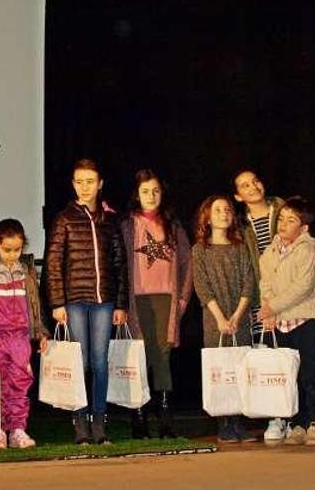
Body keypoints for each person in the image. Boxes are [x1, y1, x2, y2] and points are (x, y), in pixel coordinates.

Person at [46, 158, 128, 445]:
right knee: (79, 362)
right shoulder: (64, 218)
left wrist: (120, 304)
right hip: (74, 301)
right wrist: (57, 303)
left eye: (90, 181)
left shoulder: (110, 220)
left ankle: (99, 420)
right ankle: (79, 421)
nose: (85, 187)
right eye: (79, 181)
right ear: (72, 184)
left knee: (100, 362)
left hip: (104, 300)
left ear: (100, 184)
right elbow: (54, 263)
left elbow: (119, 263)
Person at [120, 169, 190, 439]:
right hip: (137, 300)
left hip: (166, 299)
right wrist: (122, 304)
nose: (151, 196)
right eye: (145, 191)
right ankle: (138, 416)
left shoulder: (173, 226)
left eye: (155, 190)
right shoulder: (127, 225)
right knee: (139, 357)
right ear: (137, 194)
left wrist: (182, 298)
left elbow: (187, 263)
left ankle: (165, 416)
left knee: (162, 357)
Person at [0, 219, 49, 449]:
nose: (12, 255)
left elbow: (35, 305)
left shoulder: (26, 272)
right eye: (7, 250)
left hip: (20, 339)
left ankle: (17, 429)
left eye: (17, 250)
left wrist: (40, 332)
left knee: (19, 383)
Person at [258, 196, 315, 446]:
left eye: (292, 220)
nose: (284, 224)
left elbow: (303, 287)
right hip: (282, 322)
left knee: (310, 375)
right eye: (282, 218)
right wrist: (270, 310)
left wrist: (270, 307)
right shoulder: (269, 252)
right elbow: (265, 283)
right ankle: (296, 423)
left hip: (306, 320)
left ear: (304, 227)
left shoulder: (308, 250)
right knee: (290, 376)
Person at [190, 195, 256, 443]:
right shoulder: (199, 250)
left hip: (240, 317)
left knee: (240, 368)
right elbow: (202, 286)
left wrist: (238, 315)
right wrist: (220, 318)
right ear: (207, 217)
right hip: (214, 319)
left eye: (227, 209)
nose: (224, 213)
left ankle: (239, 422)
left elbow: (249, 281)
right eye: (217, 209)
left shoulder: (240, 248)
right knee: (221, 369)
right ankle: (223, 423)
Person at [232, 169, 286, 442]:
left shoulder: (283, 210)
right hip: (260, 302)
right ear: (238, 196)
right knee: (269, 360)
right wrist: (263, 303)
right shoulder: (241, 228)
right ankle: (275, 417)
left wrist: (278, 300)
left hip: (289, 297)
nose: (252, 186)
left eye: (255, 180)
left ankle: (296, 418)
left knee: (290, 358)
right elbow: (249, 269)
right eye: (245, 185)